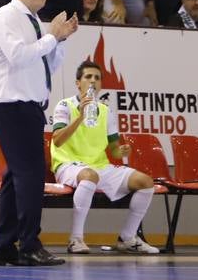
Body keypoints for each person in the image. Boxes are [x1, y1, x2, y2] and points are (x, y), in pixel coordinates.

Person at [0, 0, 78, 267]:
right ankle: (29, 244)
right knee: (30, 175)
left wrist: (59, 40)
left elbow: (44, 66)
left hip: (28, 107)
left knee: (16, 177)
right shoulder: (7, 16)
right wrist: (51, 38)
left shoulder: (33, 20)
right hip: (12, 106)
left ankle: (3, 246)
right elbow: (19, 56)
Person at [52, 60, 160, 255]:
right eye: (88, 77)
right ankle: (75, 239)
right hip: (67, 165)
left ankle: (127, 238)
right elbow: (58, 140)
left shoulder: (106, 111)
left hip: (99, 166)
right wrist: (80, 117)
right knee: (90, 175)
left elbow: (114, 150)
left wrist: (122, 151)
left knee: (145, 181)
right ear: (78, 83)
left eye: (97, 78)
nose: (93, 81)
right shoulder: (64, 105)